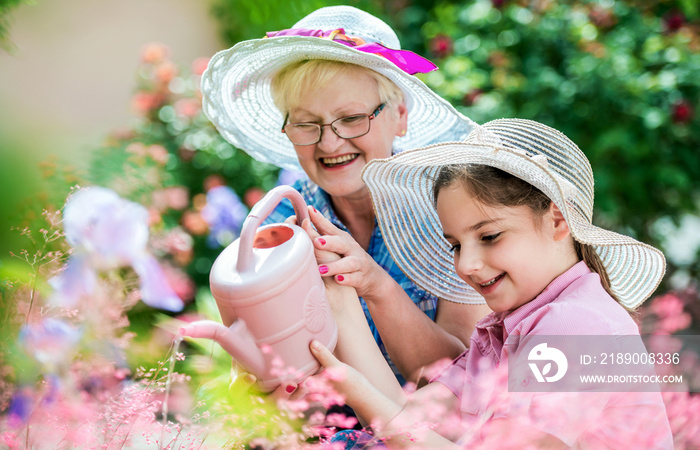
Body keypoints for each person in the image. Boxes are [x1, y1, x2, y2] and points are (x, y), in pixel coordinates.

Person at [305, 119, 673, 448]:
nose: (466, 264)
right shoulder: (507, 330)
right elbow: (412, 423)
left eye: (490, 236)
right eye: (455, 245)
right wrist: (351, 288)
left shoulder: (575, 328)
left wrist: (356, 390)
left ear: (558, 221)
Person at [201, 5, 490, 385]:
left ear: (399, 115)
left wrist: (375, 284)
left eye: (352, 118)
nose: (330, 141)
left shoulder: (449, 208)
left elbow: (463, 378)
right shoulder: (279, 226)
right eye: (307, 123)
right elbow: (272, 369)